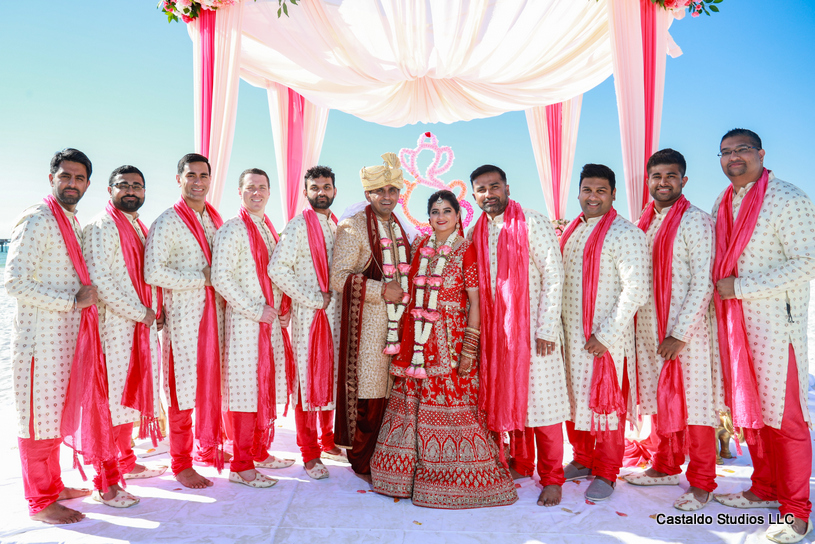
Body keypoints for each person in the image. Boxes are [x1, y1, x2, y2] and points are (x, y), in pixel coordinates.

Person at [370, 190, 518, 508]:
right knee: (411, 402)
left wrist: (469, 347)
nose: (441, 216)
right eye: (435, 211)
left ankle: (459, 478)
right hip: (418, 342)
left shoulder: (466, 249)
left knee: (457, 401)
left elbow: (476, 302)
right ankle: (404, 477)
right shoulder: (420, 246)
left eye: (446, 210)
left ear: (457, 216)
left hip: (451, 342)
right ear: (428, 217)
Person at [709, 129, 815, 543]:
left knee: (787, 421)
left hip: (776, 327)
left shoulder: (787, 198)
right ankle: (766, 489)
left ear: (761, 153)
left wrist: (741, 287)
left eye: (742, 150)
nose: (734, 158)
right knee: (756, 416)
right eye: (726, 152)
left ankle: (796, 512)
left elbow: (807, 262)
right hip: (737, 327)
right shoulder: (723, 201)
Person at [6, 148, 109, 523]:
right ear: (52, 178)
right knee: (36, 419)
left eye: (79, 178)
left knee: (52, 416)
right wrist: (71, 300)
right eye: (65, 176)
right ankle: (40, 501)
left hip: (65, 340)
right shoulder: (37, 220)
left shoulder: (69, 221)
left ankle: (53, 483)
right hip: (39, 341)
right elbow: (14, 281)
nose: (72, 184)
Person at [621, 149, 720, 511]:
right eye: (657, 176)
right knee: (662, 403)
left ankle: (703, 483)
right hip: (648, 329)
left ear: (683, 180)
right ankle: (664, 466)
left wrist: (679, 334)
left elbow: (703, 281)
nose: (663, 183)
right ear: (647, 181)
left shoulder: (695, 221)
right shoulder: (643, 223)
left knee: (696, 407)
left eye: (671, 176)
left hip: (685, 334)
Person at [468, 165, 570, 507]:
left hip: (534, 333)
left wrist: (546, 328)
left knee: (544, 406)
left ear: (507, 187)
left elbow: (554, 275)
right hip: (498, 337)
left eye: (494, 186)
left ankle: (553, 478)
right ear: (474, 196)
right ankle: (523, 464)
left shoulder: (532, 221)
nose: (488, 194)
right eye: (481, 189)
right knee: (512, 401)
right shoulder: (477, 230)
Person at [559, 163, 648, 502]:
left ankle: (608, 472)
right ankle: (583, 459)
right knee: (573, 401)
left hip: (606, 340)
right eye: (587, 190)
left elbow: (635, 289)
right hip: (571, 336)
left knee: (605, 406)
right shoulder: (571, 230)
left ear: (613, 194)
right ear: (578, 193)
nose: (592, 196)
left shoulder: (627, 234)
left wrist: (606, 335)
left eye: (600, 190)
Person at [83, 165, 168, 506]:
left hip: (136, 331)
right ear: (110, 189)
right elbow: (101, 282)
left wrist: (156, 310)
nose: (131, 191)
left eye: (137, 186)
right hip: (111, 332)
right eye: (123, 185)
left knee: (125, 404)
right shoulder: (103, 227)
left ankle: (126, 463)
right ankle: (106, 482)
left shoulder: (135, 226)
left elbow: (146, 276)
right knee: (108, 407)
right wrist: (144, 313)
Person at [144, 153, 225, 489]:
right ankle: (181, 463)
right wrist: (200, 277)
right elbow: (152, 271)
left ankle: (207, 449)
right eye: (191, 175)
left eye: (203, 175)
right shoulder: (168, 221)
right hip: (184, 321)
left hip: (215, 317)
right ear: (179, 179)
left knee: (210, 386)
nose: (198, 181)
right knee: (182, 392)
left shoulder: (214, 220)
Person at [329, 153, 412, 481]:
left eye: (393, 190)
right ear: (368, 194)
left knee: (390, 391)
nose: (387, 196)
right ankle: (363, 461)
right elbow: (339, 277)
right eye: (380, 191)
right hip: (366, 328)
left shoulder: (397, 225)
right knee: (369, 391)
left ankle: (388, 458)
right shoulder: (354, 226)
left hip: (397, 327)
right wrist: (381, 290)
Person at [210, 168, 294, 488]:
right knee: (245, 391)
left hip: (268, 323)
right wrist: (256, 310)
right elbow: (221, 278)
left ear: (269, 192)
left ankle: (259, 451)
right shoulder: (232, 230)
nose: (256, 192)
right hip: (246, 324)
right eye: (250, 188)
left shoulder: (270, 231)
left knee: (264, 388)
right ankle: (241, 465)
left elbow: (277, 274)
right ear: (240, 192)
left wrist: (282, 309)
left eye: (262, 187)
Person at [269, 166, 346, 480]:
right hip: (309, 318)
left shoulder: (336, 226)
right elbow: (277, 269)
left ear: (334, 190)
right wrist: (312, 298)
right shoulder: (299, 225)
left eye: (326, 186)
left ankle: (328, 441)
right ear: (306, 192)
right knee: (307, 383)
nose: (321, 192)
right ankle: (309, 453)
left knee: (329, 379)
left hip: (335, 316)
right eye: (315, 188)